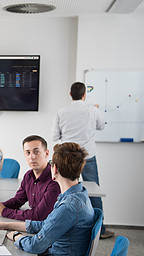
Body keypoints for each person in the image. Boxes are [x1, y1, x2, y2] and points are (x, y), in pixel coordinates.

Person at [0, 142, 95, 256]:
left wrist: (15, 236)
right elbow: (45, 224)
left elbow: (36, 245)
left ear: (54, 169)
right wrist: (5, 225)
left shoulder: (68, 206)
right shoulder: (78, 194)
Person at [51, 82, 113, 239]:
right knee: (94, 192)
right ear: (84, 94)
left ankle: (60, 224)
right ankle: (101, 230)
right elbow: (101, 126)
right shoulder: (93, 110)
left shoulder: (61, 112)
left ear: (70, 94)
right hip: (87, 155)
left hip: (66, 157)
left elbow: (54, 137)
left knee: (63, 189)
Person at [0, 135, 60, 221]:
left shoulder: (54, 180)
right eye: (28, 153)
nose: (32, 157)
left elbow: (38, 215)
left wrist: (4, 211)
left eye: (36, 152)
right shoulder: (28, 176)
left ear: (47, 153)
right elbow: (18, 200)